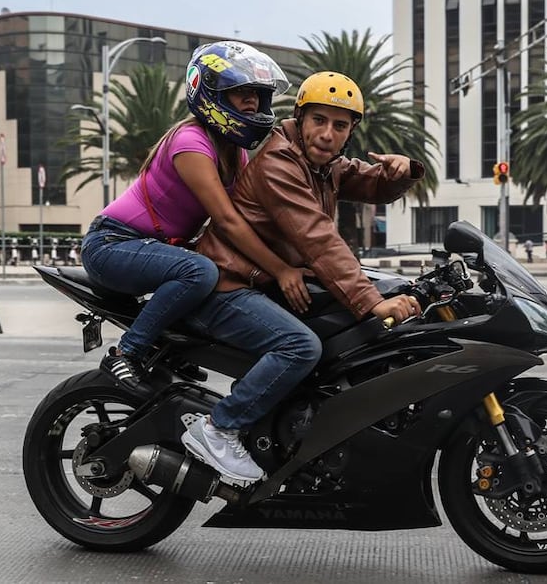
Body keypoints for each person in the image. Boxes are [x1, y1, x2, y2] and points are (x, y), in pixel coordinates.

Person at [181, 71, 423, 483]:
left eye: (340, 125)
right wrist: (371, 301)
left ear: (350, 132)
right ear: (300, 117)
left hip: (261, 284)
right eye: (319, 121)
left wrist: (399, 174)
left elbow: (363, 179)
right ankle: (220, 428)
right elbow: (318, 237)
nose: (328, 134)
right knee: (300, 347)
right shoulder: (281, 161)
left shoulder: (321, 163)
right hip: (229, 284)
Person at [81, 41, 307, 391]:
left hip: (154, 248)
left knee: (219, 272)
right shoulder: (191, 143)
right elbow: (229, 221)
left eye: (258, 94)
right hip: (112, 244)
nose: (252, 101)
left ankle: (171, 350)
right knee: (199, 271)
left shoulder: (234, 152)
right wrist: (280, 271)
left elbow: (252, 216)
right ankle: (126, 353)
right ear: (211, 93)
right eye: (240, 92)